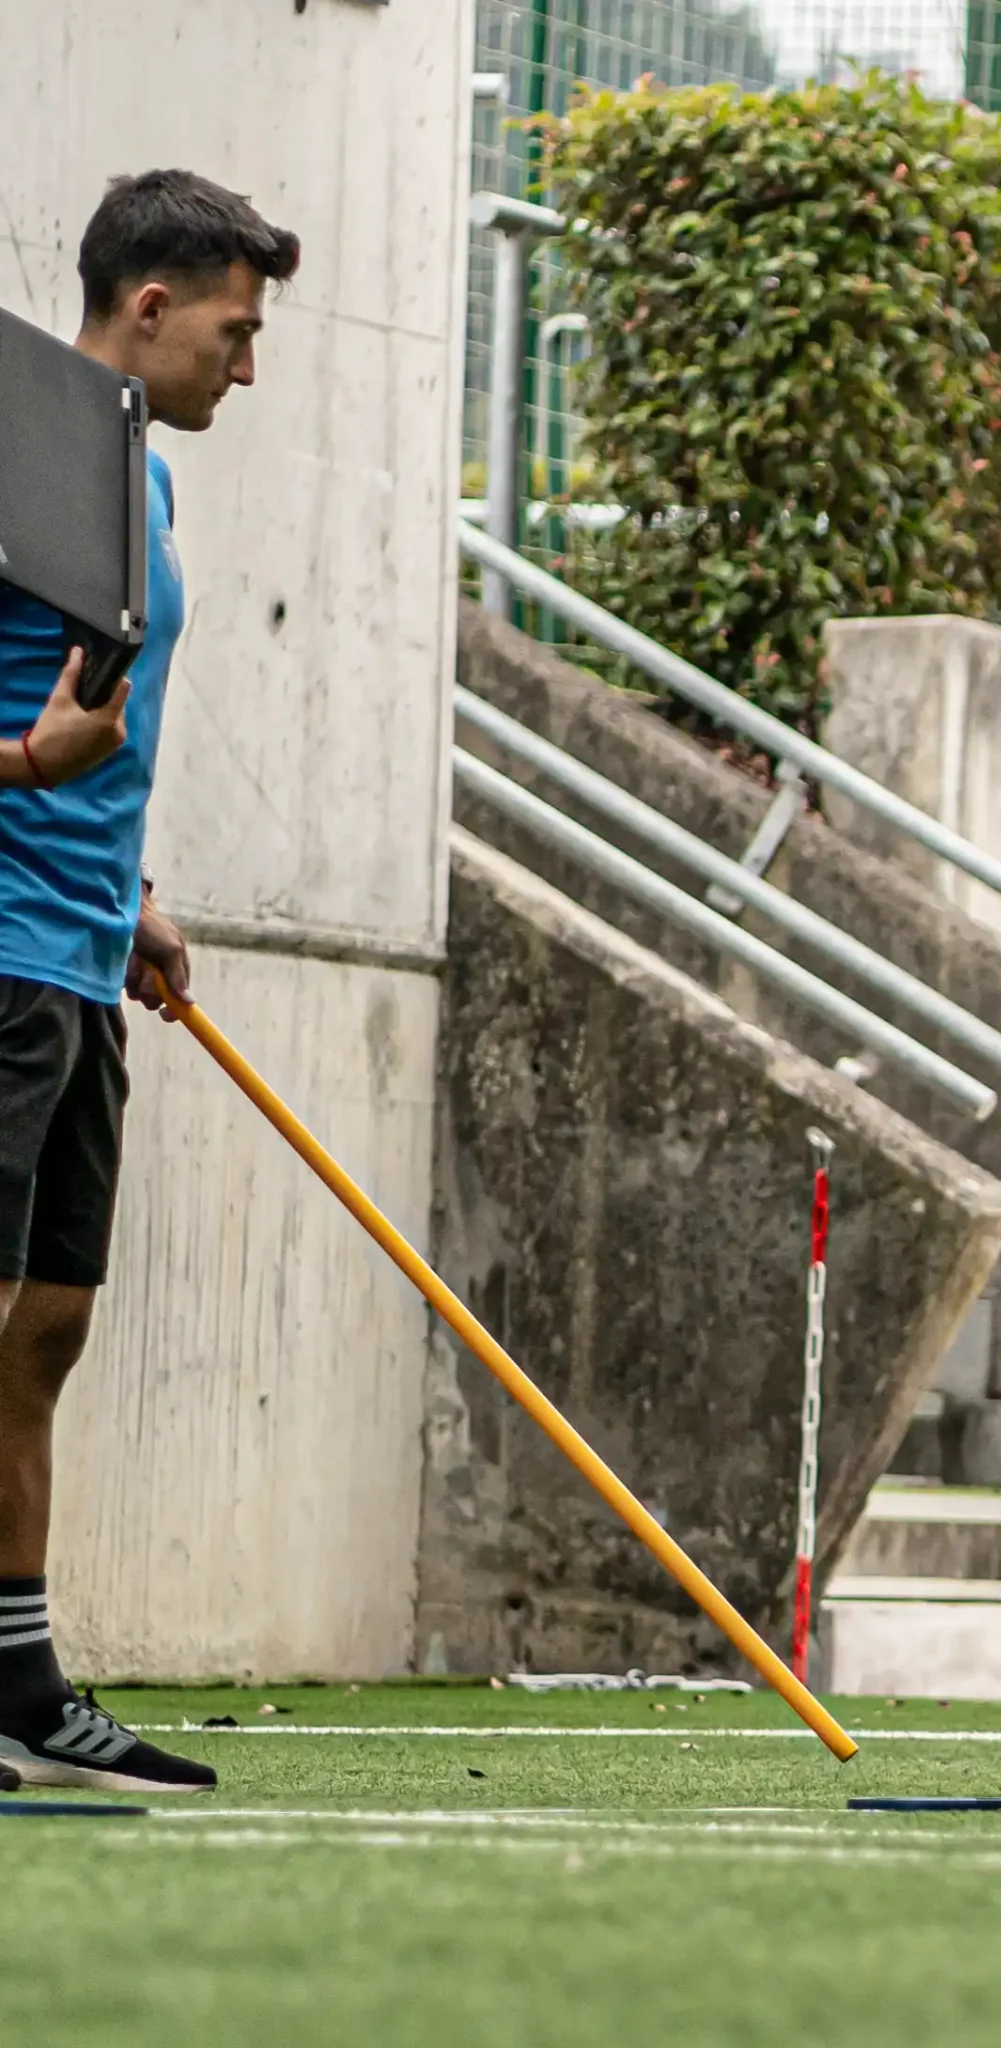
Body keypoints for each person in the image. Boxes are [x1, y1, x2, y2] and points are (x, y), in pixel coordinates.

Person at [0, 171, 299, 1794]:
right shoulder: (19, 450)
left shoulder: (139, 480)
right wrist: (21, 765)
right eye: (234, 332)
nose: (246, 366)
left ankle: (18, 1691)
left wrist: (138, 897)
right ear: (150, 306)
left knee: (44, 1326)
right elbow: (41, 736)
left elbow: (96, 728)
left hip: (78, 951)